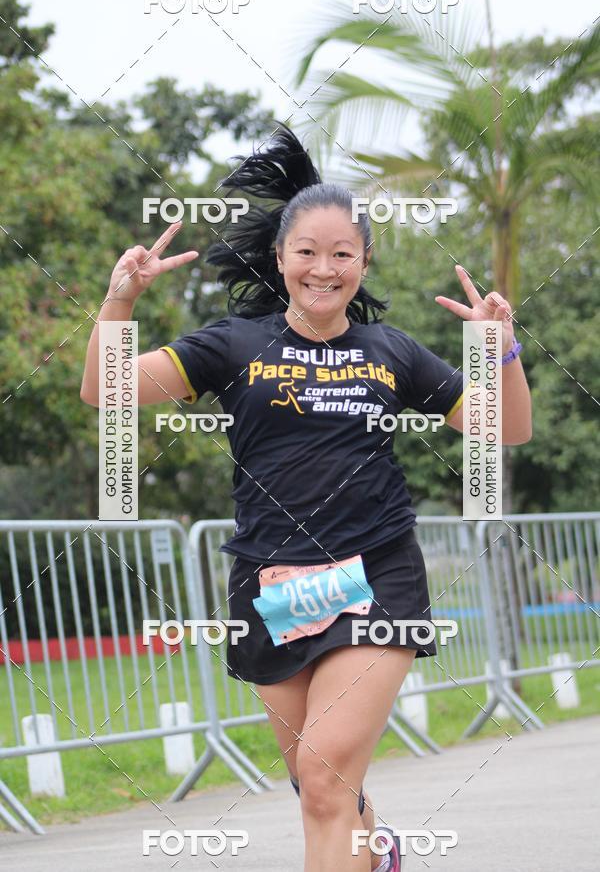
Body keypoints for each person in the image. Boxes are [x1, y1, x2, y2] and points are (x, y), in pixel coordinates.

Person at [80, 123, 532, 871]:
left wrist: (501, 349)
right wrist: (117, 304)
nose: (324, 269)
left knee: (323, 776)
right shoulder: (233, 345)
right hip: (275, 581)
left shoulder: (392, 352)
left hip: (374, 574)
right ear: (282, 258)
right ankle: (375, 849)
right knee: (318, 786)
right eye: (308, 253)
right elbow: (109, 388)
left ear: (363, 261)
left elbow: (507, 427)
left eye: (342, 254)